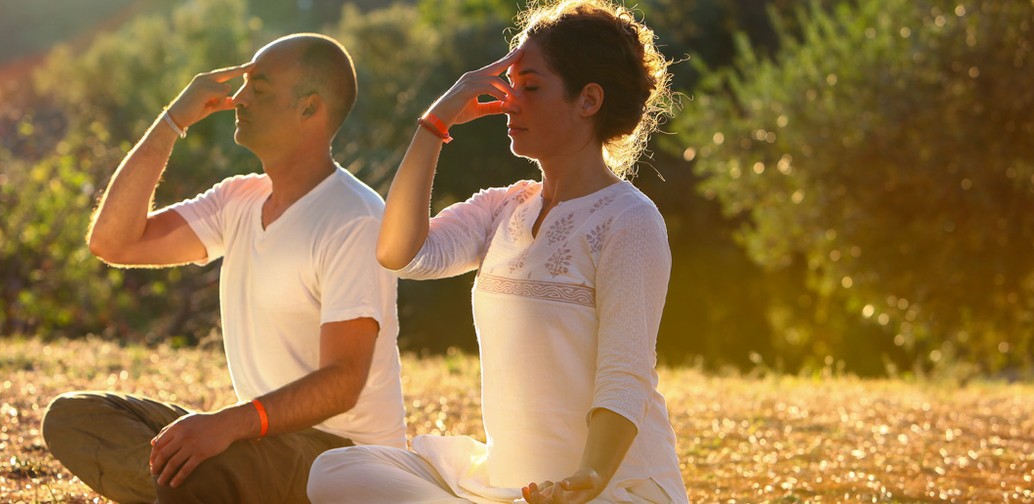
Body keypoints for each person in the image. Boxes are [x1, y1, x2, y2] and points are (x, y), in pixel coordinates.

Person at [307, 1, 687, 503]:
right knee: (336, 470)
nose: (510, 102)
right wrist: (435, 123)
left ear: (588, 100)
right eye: (510, 87)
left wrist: (591, 477)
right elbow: (400, 253)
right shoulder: (503, 208)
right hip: (508, 484)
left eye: (530, 87)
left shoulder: (629, 221)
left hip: (609, 488)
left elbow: (625, 375)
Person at [41, 33, 407, 504]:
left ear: (310, 109)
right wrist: (173, 120)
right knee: (74, 417)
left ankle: (193, 487)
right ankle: (190, 489)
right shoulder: (239, 199)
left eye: (261, 88)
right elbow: (113, 240)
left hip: (346, 462)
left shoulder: (353, 218)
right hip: (261, 445)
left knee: (202, 467)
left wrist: (227, 424)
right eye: (245, 84)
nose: (240, 98)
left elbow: (342, 383)